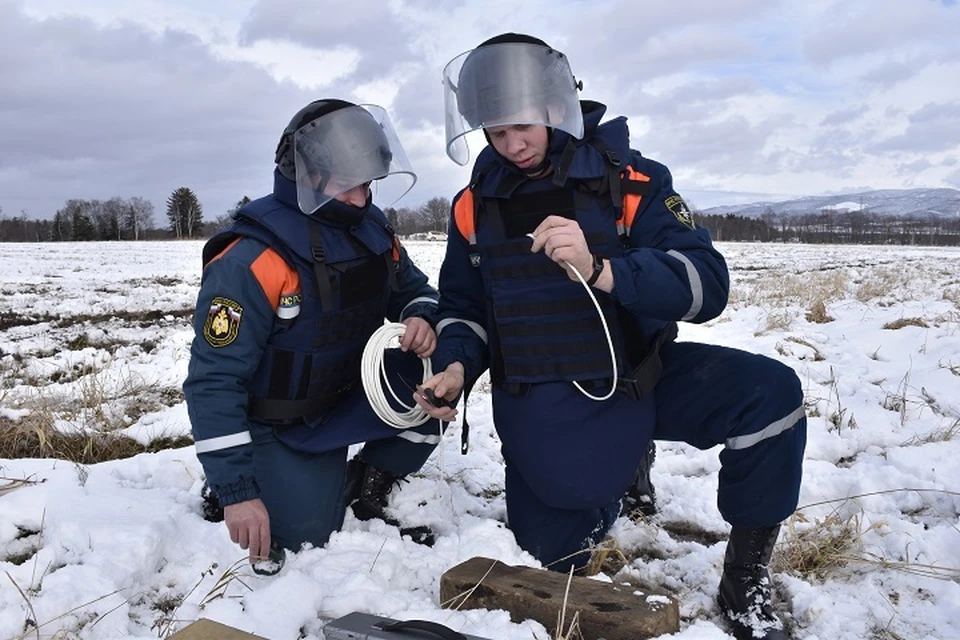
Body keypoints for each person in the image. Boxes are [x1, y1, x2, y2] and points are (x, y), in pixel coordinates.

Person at [415, 34, 806, 640]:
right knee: (561, 563)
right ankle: (617, 471)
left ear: (554, 106)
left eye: (522, 126)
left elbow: (708, 285)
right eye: (494, 133)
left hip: (640, 379)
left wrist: (604, 269)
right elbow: (465, 310)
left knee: (772, 395)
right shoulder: (473, 207)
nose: (511, 145)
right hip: (543, 395)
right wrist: (458, 367)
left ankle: (745, 583)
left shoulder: (633, 181)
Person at [184, 99, 444, 573]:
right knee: (307, 540)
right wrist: (237, 493)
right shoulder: (252, 259)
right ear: (306, 174)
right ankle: (234, 481)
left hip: (346, 397)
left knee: (444, 370)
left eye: (367, 184)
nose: (361, 199)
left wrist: (421, 318)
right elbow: (213, 381)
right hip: (282, 425)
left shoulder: (373, 231)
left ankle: (368, 480)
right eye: (348, 185)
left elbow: (417, 291)